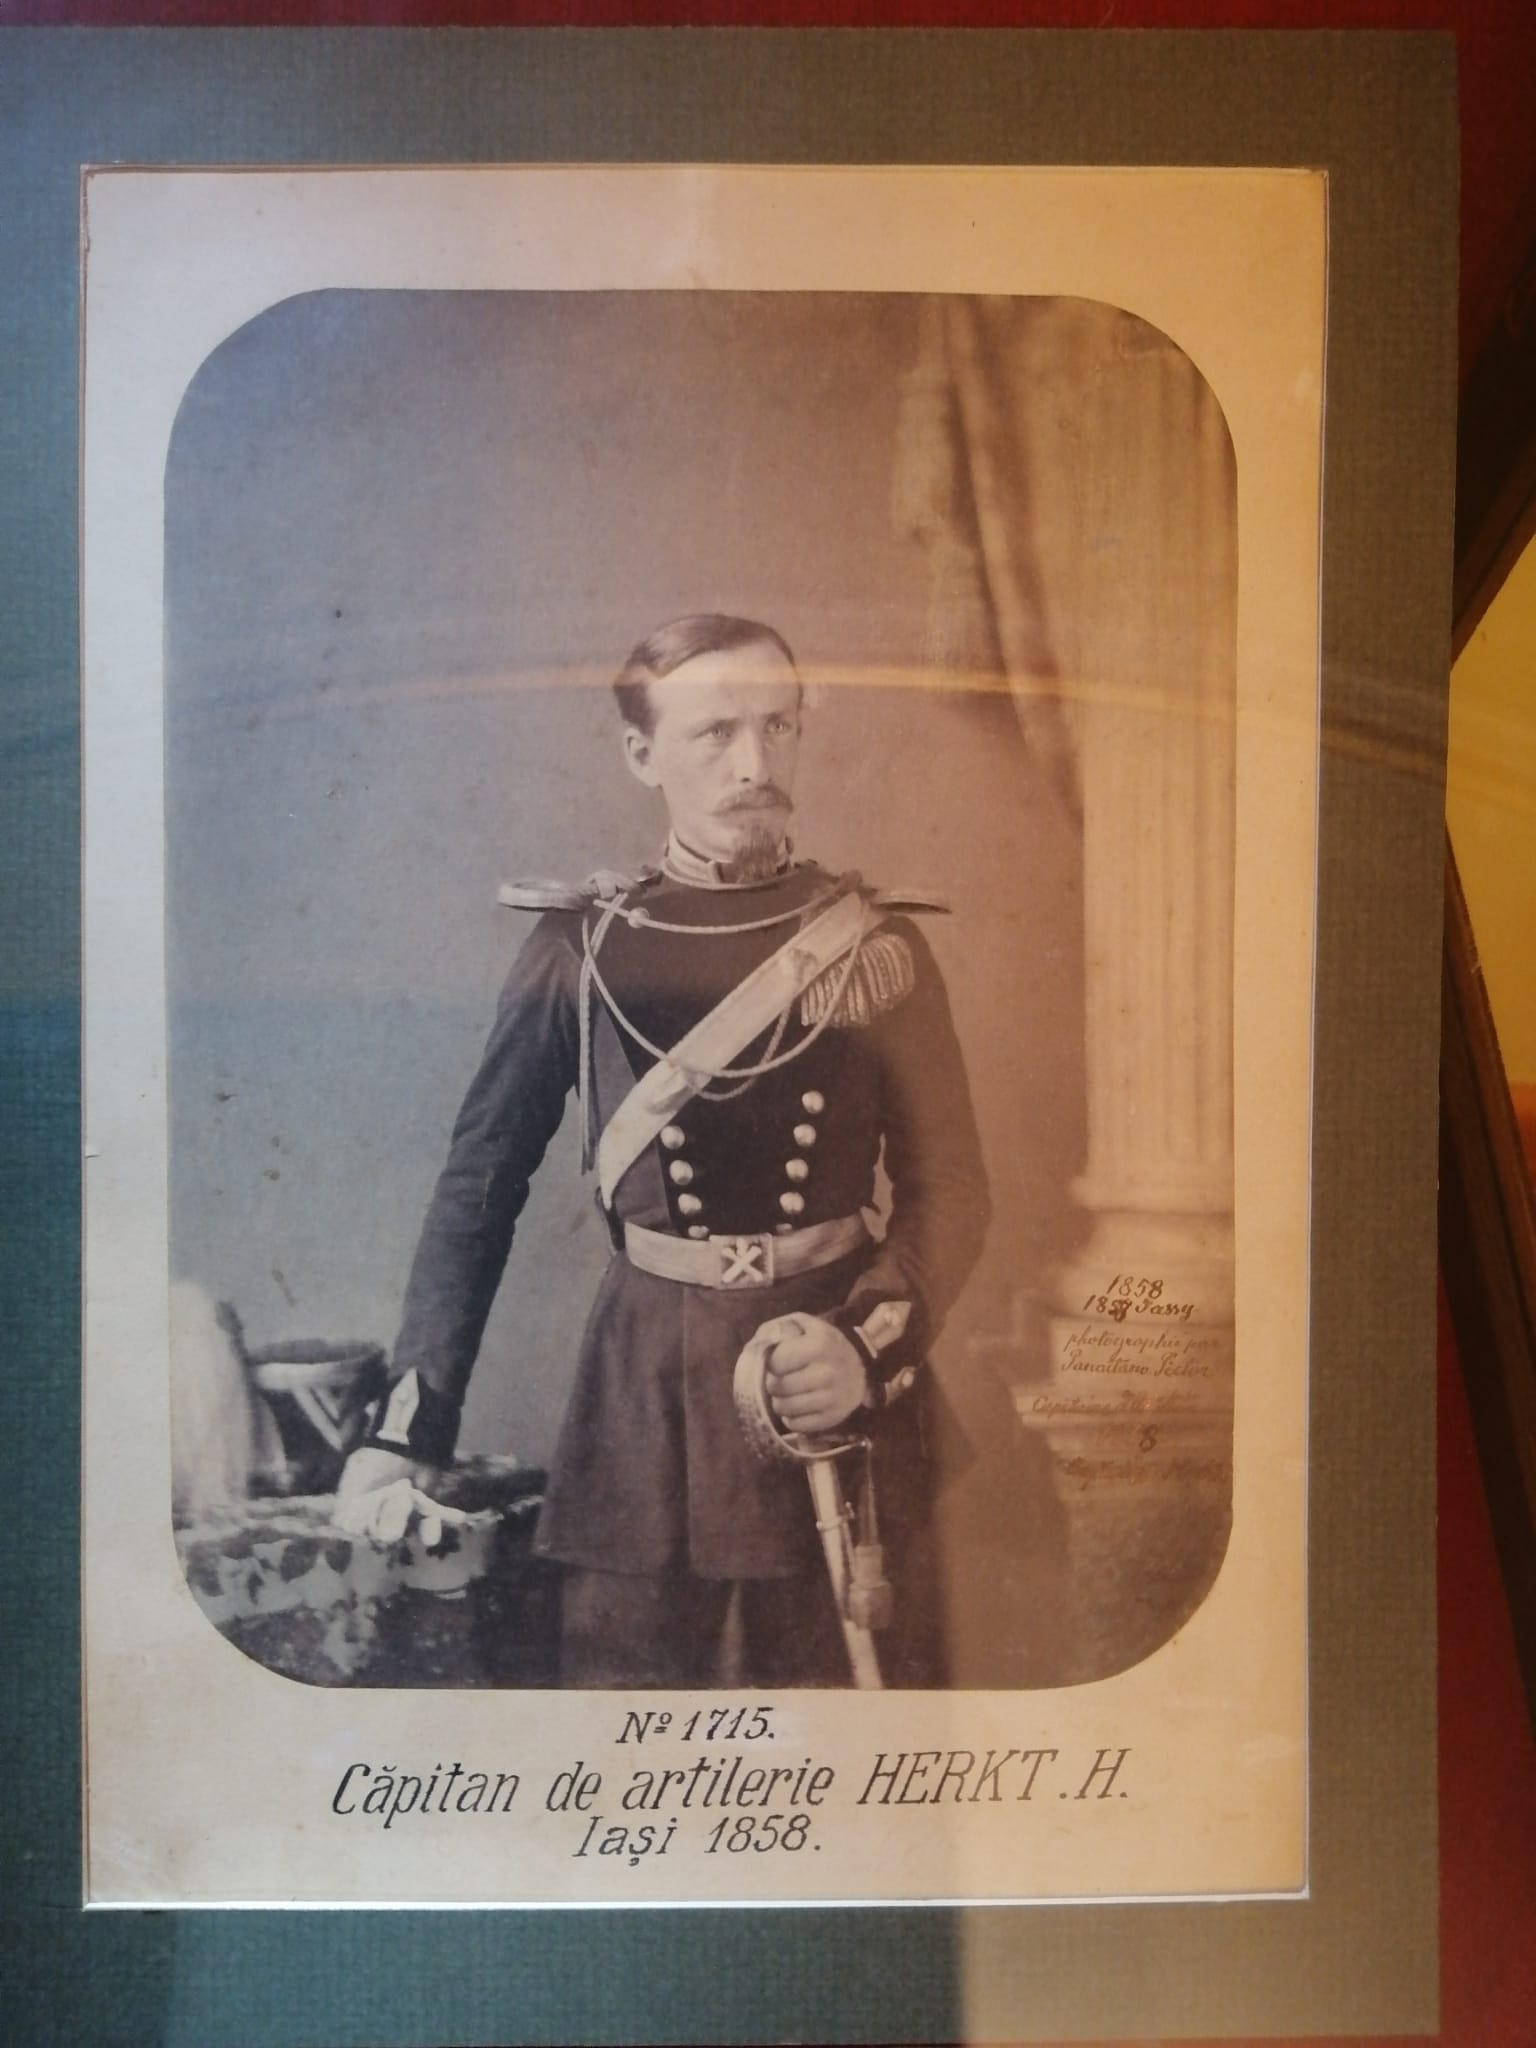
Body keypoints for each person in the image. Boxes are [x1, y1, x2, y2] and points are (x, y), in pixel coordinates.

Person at [336, 614, 990, 1687]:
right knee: (623, 1724)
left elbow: (951, 1185)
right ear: (643, 754)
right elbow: (479, 1186)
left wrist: (868, 1343)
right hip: (644, 1403)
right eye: (715, 733)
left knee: (860, 1736)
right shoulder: (582, 945)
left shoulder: (875, 944)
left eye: (778, 727)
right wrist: (408, 1427)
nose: (754, 764)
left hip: (829, 1390)